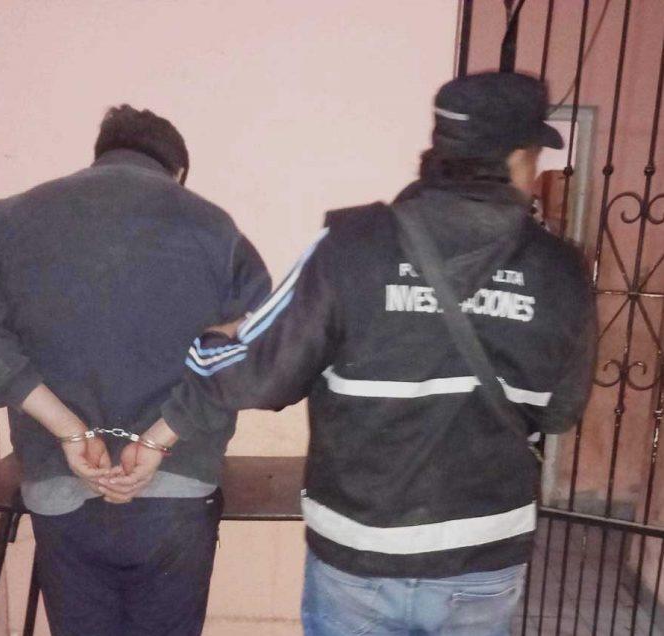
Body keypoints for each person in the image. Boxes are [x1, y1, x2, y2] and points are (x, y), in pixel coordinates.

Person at [125, 73, 598, 635]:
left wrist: (214, 342)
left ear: (441, 149)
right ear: (519, 157)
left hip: (360, 556)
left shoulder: (350, 246)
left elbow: (259, 374)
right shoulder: (562, 271)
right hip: (482, 555)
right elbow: (561, 412)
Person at [0, 104, 270, 636]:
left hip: (58, 479)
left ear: (100, 155)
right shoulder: (215, 228)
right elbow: (258, 345)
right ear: (178, 172)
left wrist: (69, 431)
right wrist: (162, 436)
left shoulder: (2, 222)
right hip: (177, 483)